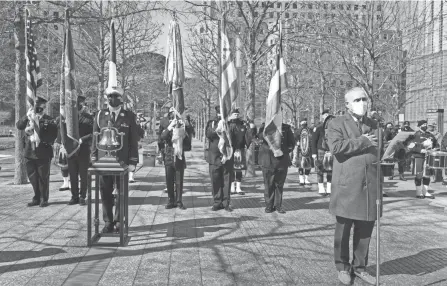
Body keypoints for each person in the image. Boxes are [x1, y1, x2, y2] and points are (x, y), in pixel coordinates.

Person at [327, 87, 383, 285]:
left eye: (365, 99)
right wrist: (362, 141)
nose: (363, 103)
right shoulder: (336, 123)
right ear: (347, 105)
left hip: (370, 186)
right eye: (358, 100)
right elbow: (336, 148)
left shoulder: (375, 124)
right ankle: (342, 267)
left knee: (365, 230)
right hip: (347, 186)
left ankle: (360, 267)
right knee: (343, 230)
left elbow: (379, 152)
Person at [91, 87, 139, 233]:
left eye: (116, 97)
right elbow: (95, 137)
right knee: (105, 193)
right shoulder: (100, 115)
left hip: (122, 161)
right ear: (107, 98)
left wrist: (133, 161)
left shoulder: (129, 116)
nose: (113, 99)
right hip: (104, 161)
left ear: (121, 99)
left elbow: (133, 140)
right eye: (110, 97)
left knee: (121, 193)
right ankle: (108, 222)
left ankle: (119, 221)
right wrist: (93, 157)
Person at [16, 97, 58, 207]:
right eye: (36, 106)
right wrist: (27, 116)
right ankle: (37, 197)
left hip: (43, 152)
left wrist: (37, 132)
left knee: (43, 177)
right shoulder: (28, 119)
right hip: (29, 152)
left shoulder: (49, 120)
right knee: (33, 177)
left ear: (44, 107)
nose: (38, 109)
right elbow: (19, 125)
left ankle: (44, 198)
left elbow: (53, 135)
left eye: (41, 106)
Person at [258, 120, 295, 213]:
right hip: (268, 160)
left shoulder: (286, 127)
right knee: (268, 184)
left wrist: (284, 151)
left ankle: (278, 205)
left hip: (281, 160)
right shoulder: (264, 127)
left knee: (279, 185)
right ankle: (269, 205)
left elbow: (291, 143)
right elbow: (259, 138)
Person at [159, 109, 193, 210]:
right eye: (172, 113)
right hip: (169, 154)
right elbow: (162, 136)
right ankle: (171, 200)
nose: (174, 115)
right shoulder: (166, 123)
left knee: (179, 180)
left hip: (179, 155)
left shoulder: (183, 124)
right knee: (169, 180)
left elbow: (190, 134)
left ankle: (179, 201)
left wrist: (186, 124)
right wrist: (170, 127)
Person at [63, 95, 94, 205]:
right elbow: (62, 131)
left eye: (80, 104)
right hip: (71, 149)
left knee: (83, 174)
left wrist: (82, 139)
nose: (78, 106)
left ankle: (82, 196)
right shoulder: (68, 118)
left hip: (83, 148)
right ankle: (74, 196)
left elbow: (92, 133)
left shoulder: (88, 118)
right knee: (73, 174)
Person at [206, 105, 236, 212]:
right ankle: (217, 202)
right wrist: (218, 129)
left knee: (227, 181)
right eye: (219, 113)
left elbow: (237, 140)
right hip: (214, 157)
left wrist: (228, 127)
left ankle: (226, 203)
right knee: (215, 180)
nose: (220, 115)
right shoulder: (211, 123)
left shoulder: (231, 124)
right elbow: (208, 134)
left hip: (227, 156)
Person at [228, 108, 255, 195]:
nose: (236, 115)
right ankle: (232, 187)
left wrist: (251, 128)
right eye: (234, 114)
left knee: (238, 169)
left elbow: (248, 135)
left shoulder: (242, 124)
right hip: (229, 150)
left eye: (237, 114)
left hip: (239, 149)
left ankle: (238, 188)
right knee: (231, 169)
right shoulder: (227, 124)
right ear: (231, 115)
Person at [407, 120, 437, 199]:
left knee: (427, 174)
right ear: (420, 126)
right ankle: (418, 192)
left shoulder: (430, 135)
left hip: (429, 157)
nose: (425, 125)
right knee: (419, 174)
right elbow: (410, 146)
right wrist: (420, 150)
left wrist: (434, 149)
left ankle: (425, 192)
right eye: (423, 124)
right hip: (418, 156)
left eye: (426, 124)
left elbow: (436, 144)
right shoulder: (415, 135)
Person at [312, 109, 334, 196]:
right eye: (325, 115)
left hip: (331, 150)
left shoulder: (333, 127)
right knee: (320, 170)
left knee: (330, 171)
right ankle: (321, 189)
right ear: (323, 116)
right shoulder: (318, 127)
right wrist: (314, 153)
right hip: (321, 150)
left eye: (328, 115)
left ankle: (329, 189)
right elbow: (313, 141)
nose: (327, 117)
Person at [294, 119, 312, 186]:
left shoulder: (310, 130)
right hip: (300, 149)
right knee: (300, 165)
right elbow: (294, 138)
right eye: (303, 123)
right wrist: (296, 142)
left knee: (308, 165)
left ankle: (306, 179)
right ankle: (301, 179)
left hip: (308, 149)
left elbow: (312, 139)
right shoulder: (298, 131)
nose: (304, 124)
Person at [129, 116, 145, 184]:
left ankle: (131, 175)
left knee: (133, 160)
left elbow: (141, 135)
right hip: (125, 146)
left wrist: (141, 126)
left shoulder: (137, 126)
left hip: (133, 145)